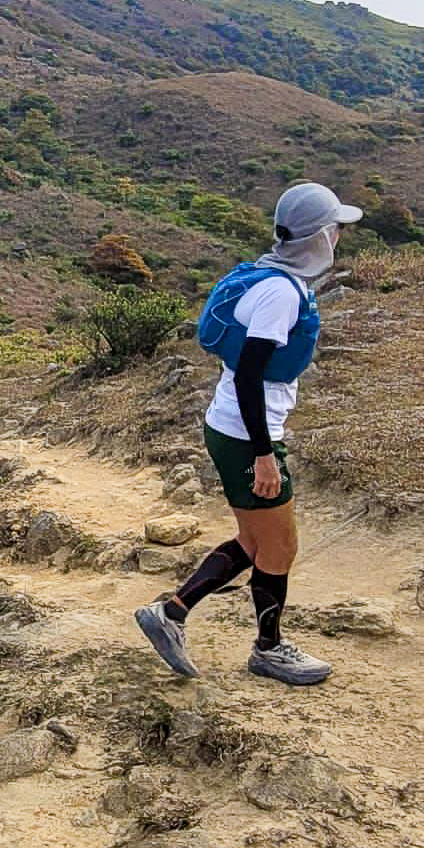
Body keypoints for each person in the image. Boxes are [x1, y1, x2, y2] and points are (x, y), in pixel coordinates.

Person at [135, 181, 362, 687]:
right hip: (246, 436)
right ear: (319, 236)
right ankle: (269, 649)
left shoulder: (272, 276)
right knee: (280, 548)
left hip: (231, 427)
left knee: (255, 541)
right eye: (336, 229)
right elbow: (249, 377)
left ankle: (170, 614)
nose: (340, 237)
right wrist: (264, 454)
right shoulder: (280, 293)